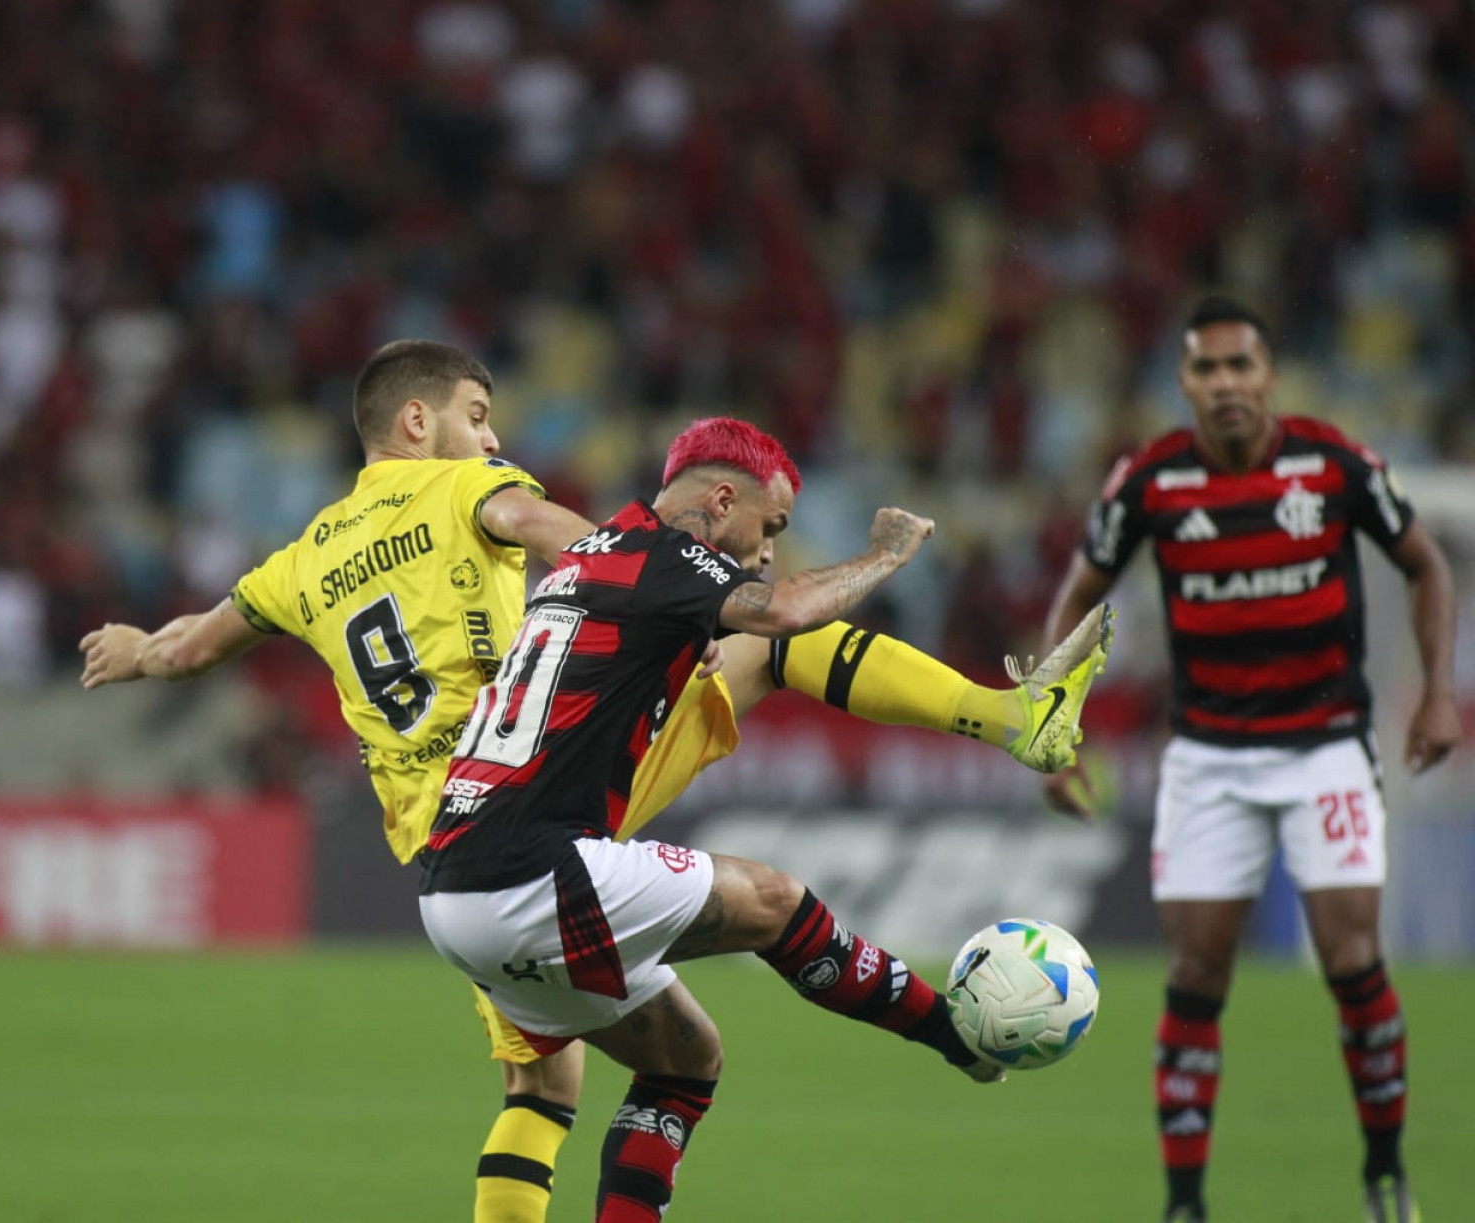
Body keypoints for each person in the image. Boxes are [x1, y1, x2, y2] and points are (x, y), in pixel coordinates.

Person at [79, 341, 1110, 1223]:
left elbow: (192, 643)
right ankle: (1012, 718)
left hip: (443, 837)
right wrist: (647, 573)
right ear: (414, 420)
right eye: (476, 417)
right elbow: (563, 539)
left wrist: (136, 649)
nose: (491, 438)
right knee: (768, 661)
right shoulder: (470, 488)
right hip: (530, 794)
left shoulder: (300, 558)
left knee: (560, 1075)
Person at [419, 416, 1056, 1221]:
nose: (765, 551)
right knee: (773, 902)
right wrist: (889, 552)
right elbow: (787, 613)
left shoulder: (591, 555)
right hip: (533, 869)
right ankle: (955, 1039)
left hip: (454, 891)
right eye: (770, 526)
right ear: (721, 500)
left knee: (686, 1058)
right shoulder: (663, 555)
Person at [1038, 296, 1460, 1223]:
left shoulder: (1333, 463)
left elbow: (1427, 563)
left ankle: (1385, 1171)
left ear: (1270, 376)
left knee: (1353, 959)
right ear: (1184, 383)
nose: (1225, 384)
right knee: (1195, 976)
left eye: (1241, 366)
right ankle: (1185, 1203)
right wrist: (1049, 725)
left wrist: (1433, 691)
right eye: (1206, 369)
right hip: (1210, 757)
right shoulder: (1150, 483)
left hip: (1326, 751)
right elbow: (1079, 594)